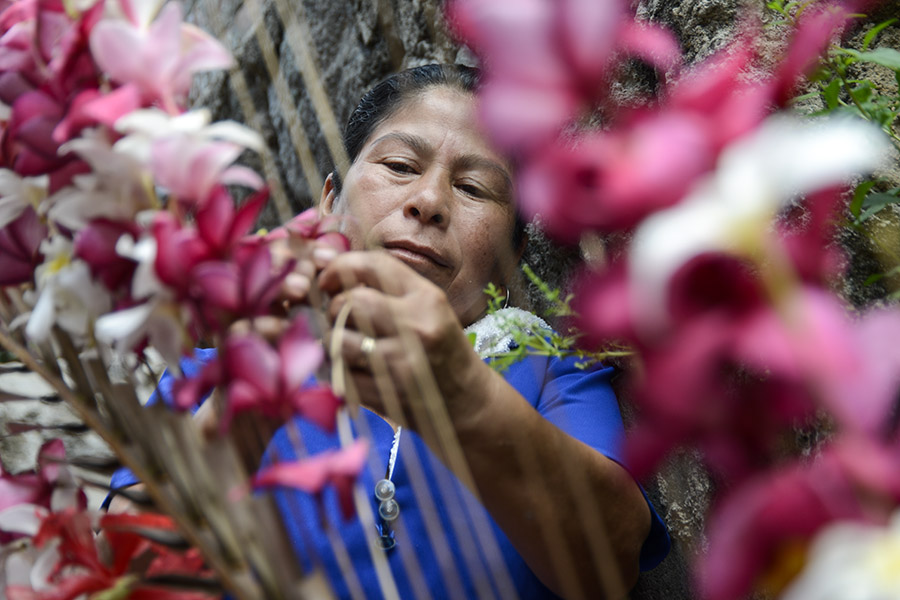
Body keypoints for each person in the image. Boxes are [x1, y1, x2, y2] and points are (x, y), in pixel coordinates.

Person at [110, 64, 669, 600]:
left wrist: (462, 396)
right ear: (329, 203)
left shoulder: (551, 373)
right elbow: (123, 563)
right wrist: (251, 400)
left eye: (474, 189)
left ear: (511, 257)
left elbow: (609, 561)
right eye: (400, 166)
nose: (428, 202)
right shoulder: (212, 370)